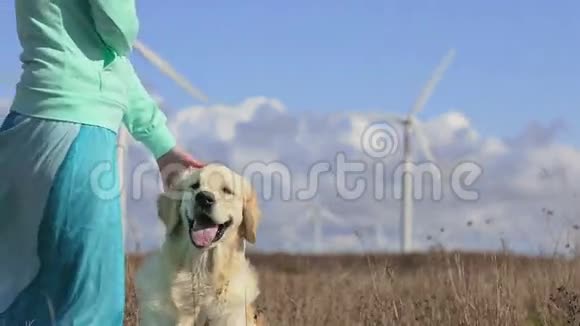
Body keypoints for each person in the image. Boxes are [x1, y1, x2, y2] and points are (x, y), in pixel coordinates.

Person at [0, 1, 203, 324]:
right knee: (89, 306)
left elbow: (110, 60)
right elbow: (118, 29)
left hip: (23, 132)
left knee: (19, 293)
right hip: (76, 139)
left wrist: (162, 144)